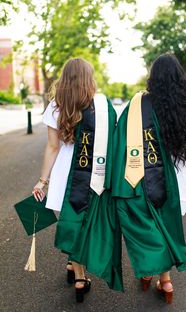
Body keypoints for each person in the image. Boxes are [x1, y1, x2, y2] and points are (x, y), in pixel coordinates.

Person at [112, 53, 186, 304]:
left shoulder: (141, 105)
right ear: (179, 75)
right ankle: (166, 280)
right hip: (180, 177)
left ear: (153, 78)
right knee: (168, 226)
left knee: (151, 225)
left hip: (149, 176)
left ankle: (151, 271)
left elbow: (124, 139)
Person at [32, 57, 122, 303]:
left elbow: (52, 147)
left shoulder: (55, 105)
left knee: (72, 224)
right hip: (93, 175)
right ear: (88, 78)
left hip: (64, 177)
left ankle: (74, 267)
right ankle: (81, 278)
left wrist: (43, 180)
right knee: (82, 226)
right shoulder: (101, 106)